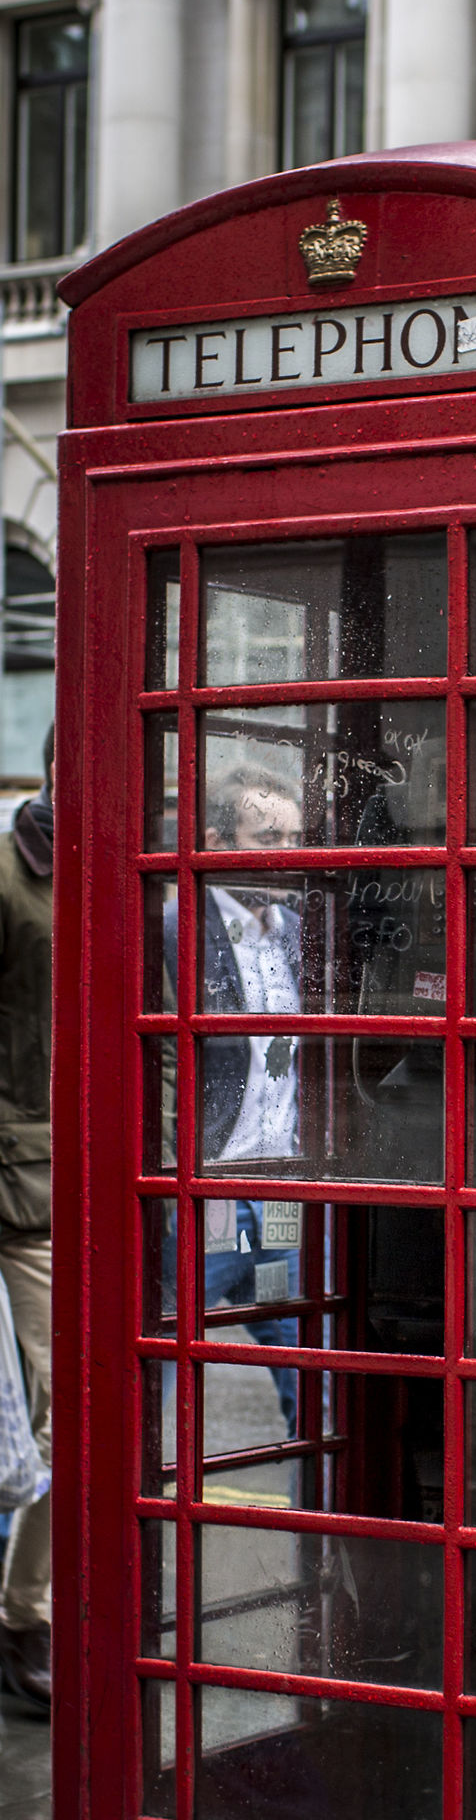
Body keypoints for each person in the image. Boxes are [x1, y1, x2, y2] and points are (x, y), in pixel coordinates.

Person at [164, 765, 304, 1429]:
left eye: (295, 838)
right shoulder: (171, 932)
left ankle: (327, 1522)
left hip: (285, 1188)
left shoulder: (301, 930)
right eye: (268, 836)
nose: (288, 854)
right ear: (217, 842)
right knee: (159, 1350)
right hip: (207, 1191)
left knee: (311, 1376)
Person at [0, 726, 56, 1713]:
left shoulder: (139, 867)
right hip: (22, 1180)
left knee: (72, 1409)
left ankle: (28, 1611)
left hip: (90, 1177)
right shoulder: (9, 873)